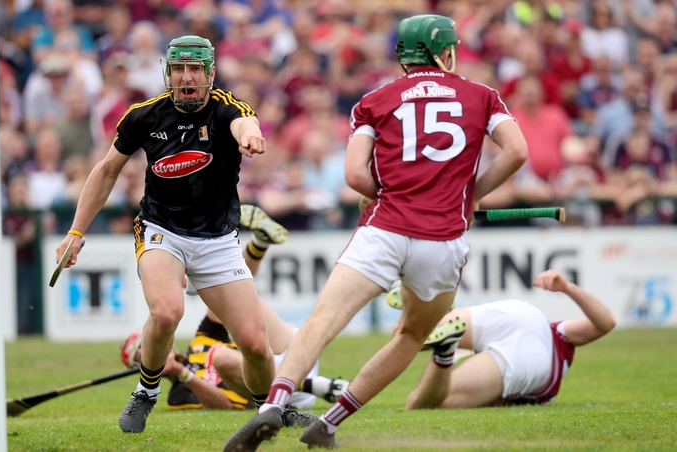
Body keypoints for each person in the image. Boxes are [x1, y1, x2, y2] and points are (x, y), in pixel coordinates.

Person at [225, 15, 528, 451]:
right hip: (442, 241)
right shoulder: (482, 96)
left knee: (320, 323)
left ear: (402, 55)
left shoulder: (374, 101)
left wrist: (381, 192)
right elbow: (516, 151)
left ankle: (273, 403)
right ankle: (329, 423)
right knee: (410, 336)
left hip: (384, 229)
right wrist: (471, 195)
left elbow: (354, 175)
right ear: (446, 52)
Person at [55, 35, 276, 435]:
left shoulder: (227, 109)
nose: (186, 78)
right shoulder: (143, 116)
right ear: (167, 73)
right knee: (167, 311)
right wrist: (76, 230)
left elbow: (247, 120)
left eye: (195, 69)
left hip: (218, 240)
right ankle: (146, 392)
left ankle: (270, 412)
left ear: (210, 73)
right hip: (162, 231)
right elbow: (107, 171)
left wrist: (250, 134)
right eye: (178, 69)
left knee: (256, 344)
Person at [119, 205, 349, 423]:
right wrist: (182, 373)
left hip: (288, 355)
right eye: (140, 355)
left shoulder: (201, 341)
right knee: (220, 356)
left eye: (142, 344)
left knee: (229, 301)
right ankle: (311, 384)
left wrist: (194, 281)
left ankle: (259, 242)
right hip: (284, 392)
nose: (145, 350)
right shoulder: (178, 393)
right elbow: (224, 405)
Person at [394, 269, 616, 409]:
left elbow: (605, 323)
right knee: (424, 404)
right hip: (531, 359)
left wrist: (567, 287)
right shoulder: (559, 345)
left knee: (406, 337)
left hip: (519, 314)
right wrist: (567, 288)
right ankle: (445, 347)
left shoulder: (560, 332)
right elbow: (606, 323)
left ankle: (425, 309)